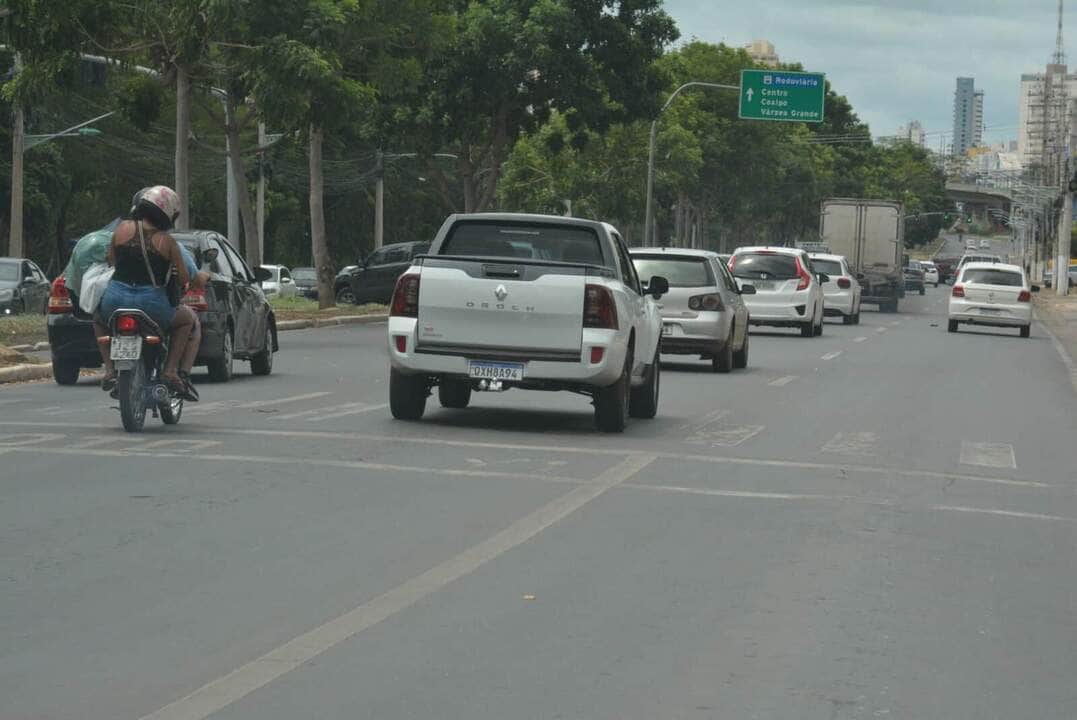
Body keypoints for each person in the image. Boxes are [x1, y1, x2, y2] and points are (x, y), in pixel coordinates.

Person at [95, 186, 201, 397]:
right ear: (168, 214)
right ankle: (170, 371)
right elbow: (184, 278)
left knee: (98, 317)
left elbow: (111, 261)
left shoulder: (121, 229)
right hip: (153, 305)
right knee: (187, 320)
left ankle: (109, 370)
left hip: (115, 300)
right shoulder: (168, 242)